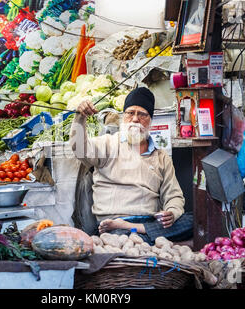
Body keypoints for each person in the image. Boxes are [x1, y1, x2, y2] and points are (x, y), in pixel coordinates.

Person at [69, 87, 193, 245]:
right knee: (127, 235)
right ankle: (136, 233)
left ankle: (135, 230)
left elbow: (174, 196)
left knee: (193, 221)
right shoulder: (108, 144)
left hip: (147, 223)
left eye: (142, 114)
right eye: (130, 113)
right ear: (123, 117)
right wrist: (80, 117)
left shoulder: (161, 156)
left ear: (150, 120)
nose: (135, 119)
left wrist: (172, 212)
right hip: (112, 225)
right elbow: (80, 149)